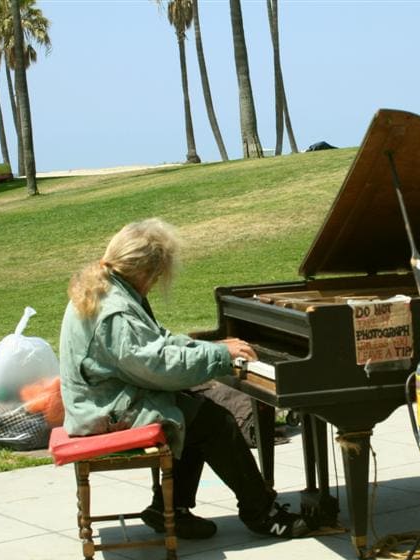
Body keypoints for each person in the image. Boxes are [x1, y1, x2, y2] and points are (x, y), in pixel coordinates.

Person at [59, 218, 309, 541]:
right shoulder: (116, 312)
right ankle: (261, 512)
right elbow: (159, 364)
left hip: (101, 400)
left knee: (191, 408)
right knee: (213, 421)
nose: (158, 280)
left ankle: (170, 509)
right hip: (103, 412)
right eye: (159, 274)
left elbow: (158, 342)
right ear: (147, 271)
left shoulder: (108, 287)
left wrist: (210, 348)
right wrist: (220, 356)